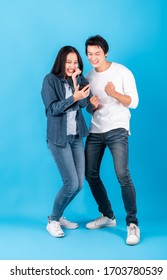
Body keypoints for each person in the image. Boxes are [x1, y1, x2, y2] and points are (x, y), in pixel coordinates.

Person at [84, 35, 140, 245]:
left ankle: (132, 223)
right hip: (96, 130)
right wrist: (93, 106)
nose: (93, 57)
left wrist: (114, 93)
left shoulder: (122, 72)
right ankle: (107, 216)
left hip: (117, 128)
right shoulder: (88, 76)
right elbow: (89, 108)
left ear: (105, 52)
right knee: (90, 174)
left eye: (97, 53)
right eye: (90, 54)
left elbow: (133, 102)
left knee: (122, 174)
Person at [41, 46, 91, 238]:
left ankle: (59, 216)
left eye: (75, 62)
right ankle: (53, 220)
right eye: (68, 62)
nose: (72, 66)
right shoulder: (50, 80)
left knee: (79, 185)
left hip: (76, 137)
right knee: (70, 183)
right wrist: (73, 97)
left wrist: (76, 80)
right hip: (59, 139)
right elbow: (52, 109)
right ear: (61, 61)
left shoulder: (78, 79)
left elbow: (85, 104)